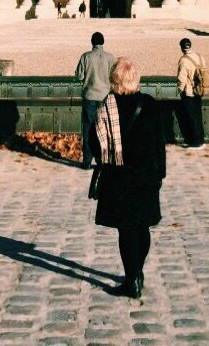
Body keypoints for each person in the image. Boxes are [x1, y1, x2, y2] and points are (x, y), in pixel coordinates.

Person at [89, 58, 165, 299]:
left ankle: (131, 279)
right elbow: (159, 143)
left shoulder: (106, 106)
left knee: (127, 229)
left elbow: (93, 142)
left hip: (118, 176)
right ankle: (137, 272)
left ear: (114, 81)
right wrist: (160, 173)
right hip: (146, 175)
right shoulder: (150, 104)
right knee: (142, 226)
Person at [75, 32, 115, 170]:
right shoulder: (110, 58)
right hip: (104, 96)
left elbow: (79, 76)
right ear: (103, 42)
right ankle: (102, 159)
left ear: (92, 42)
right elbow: (114, 78)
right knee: (104, 129)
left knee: (87, 129)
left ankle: (86, 161)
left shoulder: (86, 56)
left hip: (89, 96)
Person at [176, 37, 205, 149]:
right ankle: (201, 140)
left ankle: (196, 142)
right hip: (199, 90)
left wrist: (180, 90)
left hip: (189, 92)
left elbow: (181, 78)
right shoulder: (199, 56)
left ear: (182, 48)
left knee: (191, 117)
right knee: (198, 116)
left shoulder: (183, 60)